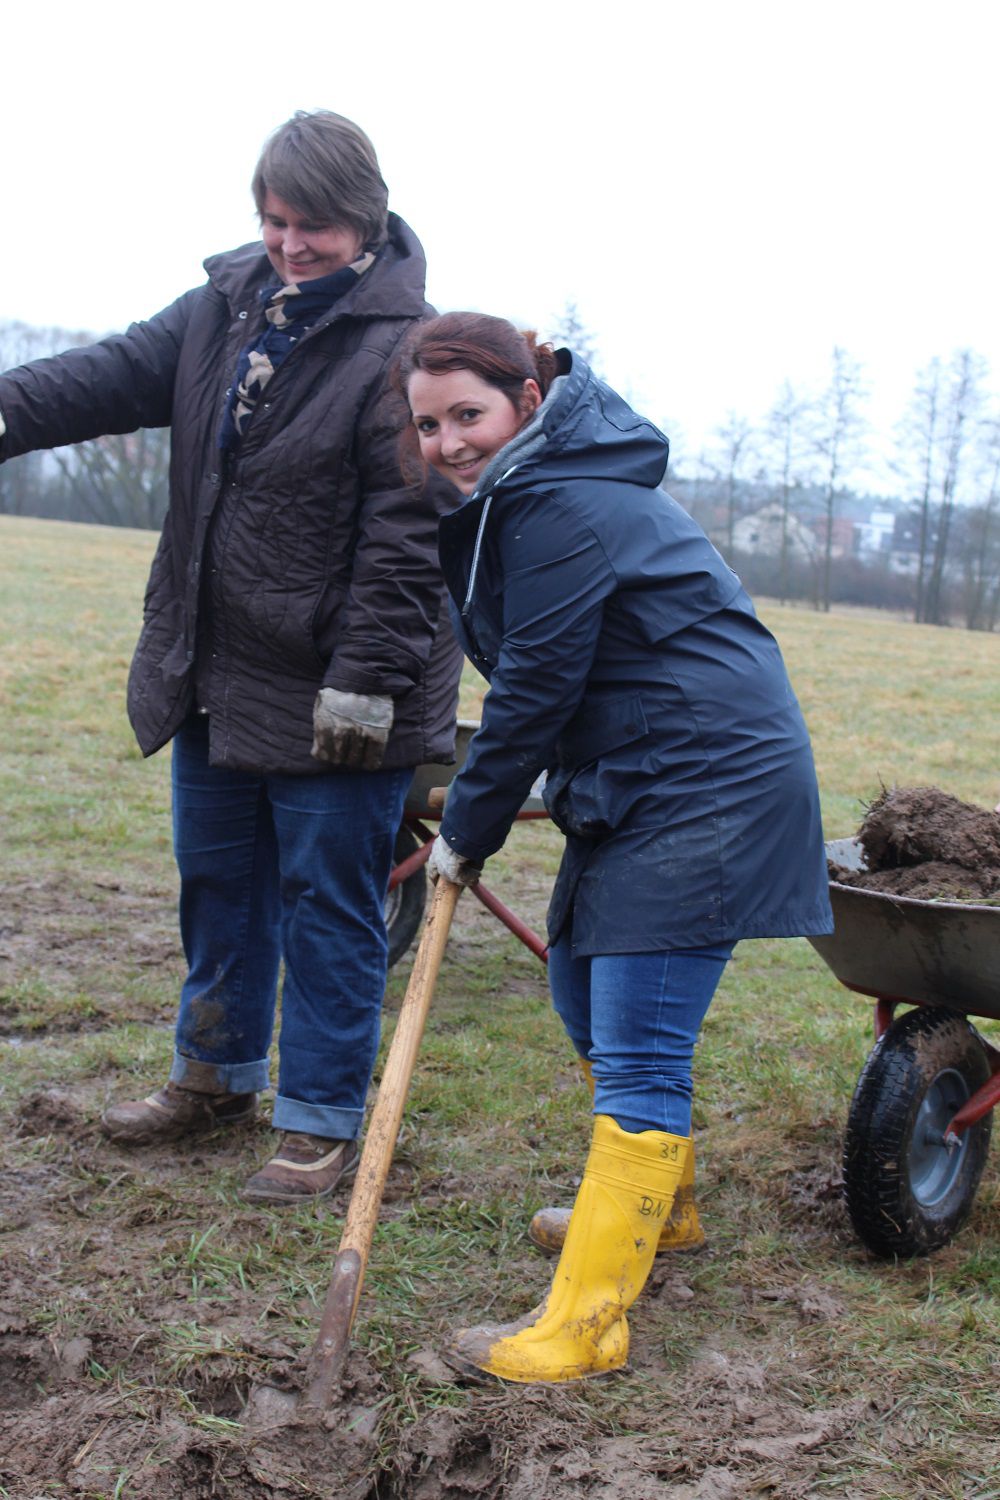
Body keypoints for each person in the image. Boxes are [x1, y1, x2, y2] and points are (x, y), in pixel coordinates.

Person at [0, 111, 463, 1204]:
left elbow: (406, 541)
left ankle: (320, 1121)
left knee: (328, 904)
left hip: (340, 684)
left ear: (368, 216)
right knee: (219, 885)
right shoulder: (225, 306)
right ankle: (212, 1076)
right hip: (217, 668)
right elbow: (104, 376)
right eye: (274, 220)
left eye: (315, 226)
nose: (291, 244)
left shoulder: (405, 347)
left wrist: (361, 683)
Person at [395, 312, 833, 1384]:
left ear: (525, 405)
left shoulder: (559, 503)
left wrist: (464, 828)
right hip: (640, 772)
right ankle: (662, 1209)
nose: (448, 442)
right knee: (582, 992)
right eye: (427, 423)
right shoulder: (533, 492)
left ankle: (587, 1325)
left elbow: (535, 686)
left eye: (469, 415)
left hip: (706, 783)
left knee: (638, 1044)